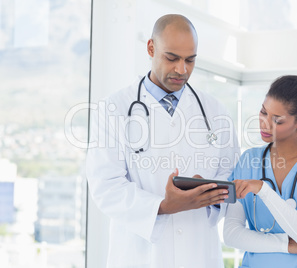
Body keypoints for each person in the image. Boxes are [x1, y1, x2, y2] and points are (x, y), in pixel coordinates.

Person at [86, 14, 240, 268]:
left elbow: (231, 176)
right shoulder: (115, 108)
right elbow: (106, 186)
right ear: (151, 48)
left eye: (190, 60)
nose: (182, 69)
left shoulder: (215, 111)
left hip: (198, 255)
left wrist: (209, 193)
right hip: (140, 257)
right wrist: (163, 206)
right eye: (172, 58)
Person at [223, 75, 297, 268]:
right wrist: (286, 244)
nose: (264, 123)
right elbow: (231, 234)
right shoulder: (248, 160)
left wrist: (263, 190)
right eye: (263, 112)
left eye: (277, 120)